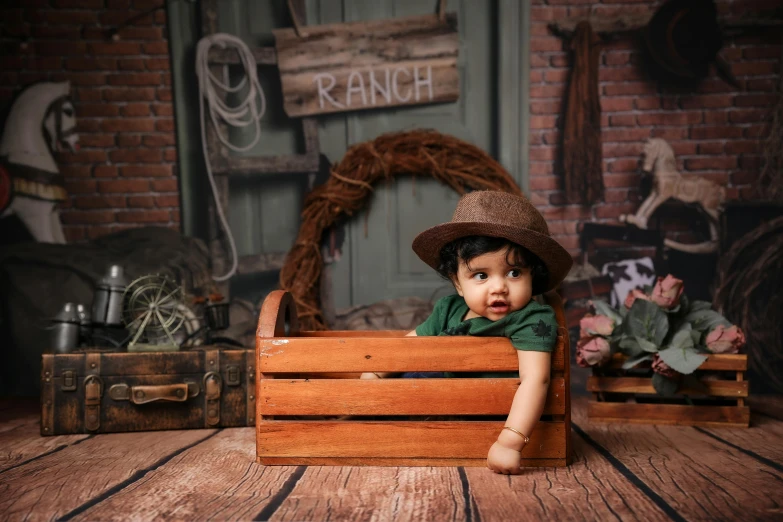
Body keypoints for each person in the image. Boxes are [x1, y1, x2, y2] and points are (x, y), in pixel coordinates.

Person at [361, 190, 572, 475]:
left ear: (533, 276)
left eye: (514, 273)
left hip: (486, 417)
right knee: (398, 388)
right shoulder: (448, 309)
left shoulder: (532, 319)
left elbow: (536, 379)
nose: (498, 287)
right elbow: (413, 344)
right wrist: (378, 370)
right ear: (459, 284)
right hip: (427, 409)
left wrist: (510, 443)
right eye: (481, 275)